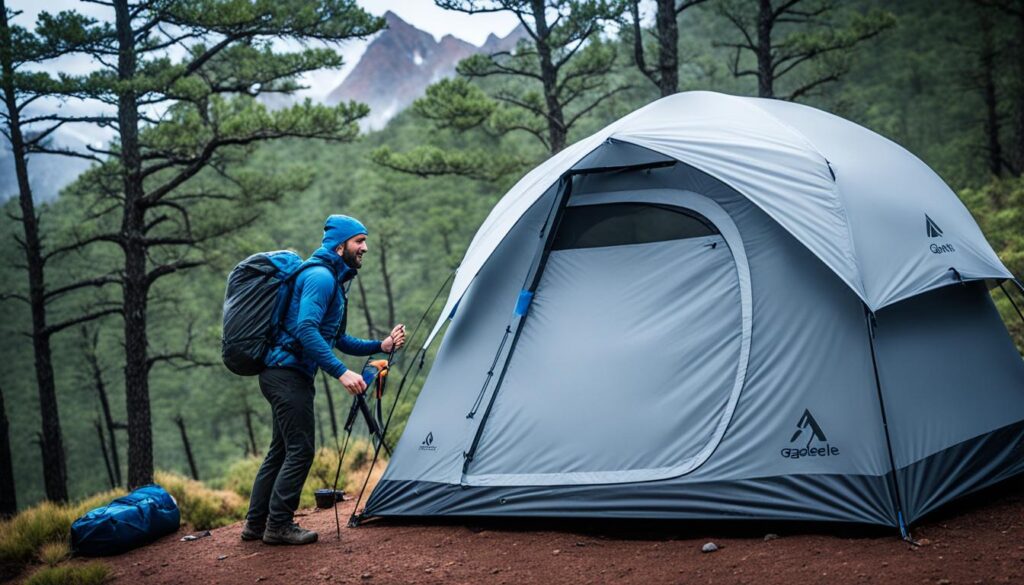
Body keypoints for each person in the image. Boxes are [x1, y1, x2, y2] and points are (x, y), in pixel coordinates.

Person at [241, 215, 405, 545]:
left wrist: (381, 345)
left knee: (280, 450)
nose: (365, 247)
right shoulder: (320, 277)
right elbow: (305, 330)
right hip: (286, 376)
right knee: (300, 451)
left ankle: (255, 525)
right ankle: (278, 526)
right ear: (339, 245)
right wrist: (342, 372)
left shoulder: (334, 280)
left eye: (364, 241)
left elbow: (337, 338)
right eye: (359, 241)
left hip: (281, 374)